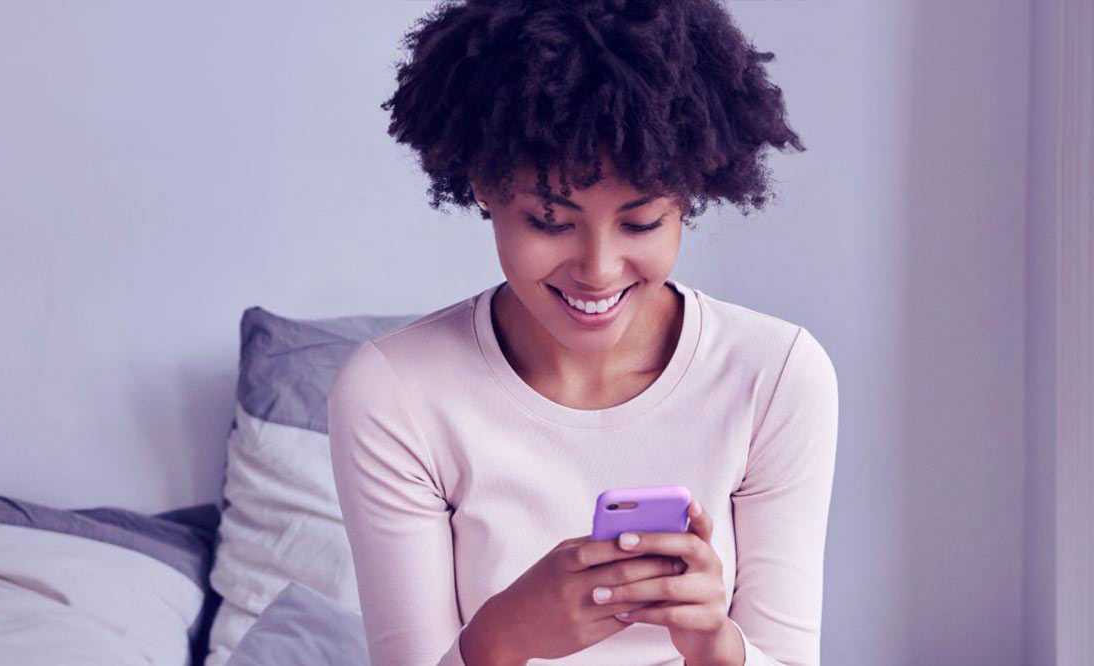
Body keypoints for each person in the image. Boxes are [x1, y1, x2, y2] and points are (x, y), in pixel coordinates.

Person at [324, 1, 836, 665]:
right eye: (550, 221)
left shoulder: (775, 375)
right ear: (485, 185)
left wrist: (716, 646)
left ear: (688, 200)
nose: (597, 271)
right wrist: (499, 640)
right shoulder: (395, 394)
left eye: (642, 224)